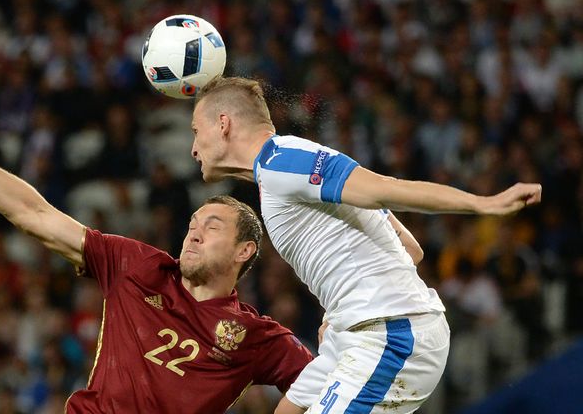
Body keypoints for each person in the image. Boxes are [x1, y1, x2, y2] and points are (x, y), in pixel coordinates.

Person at [0, 92, 314, 413]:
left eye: (212, 226)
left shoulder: (255, 336)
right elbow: (34, 214)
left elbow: (318, 381)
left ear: (245, 250)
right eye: (191, 225)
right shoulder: (138, 267)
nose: (193, 234)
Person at [189, 76, 543, 414]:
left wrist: (482, 204)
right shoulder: (280, 172)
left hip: (389, 331)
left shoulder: (283, 161)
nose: (192, 148)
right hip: (356, 329)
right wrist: (340, 309)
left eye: (195, 131)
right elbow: (410, 249)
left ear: (223, 123)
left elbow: (384, 187)